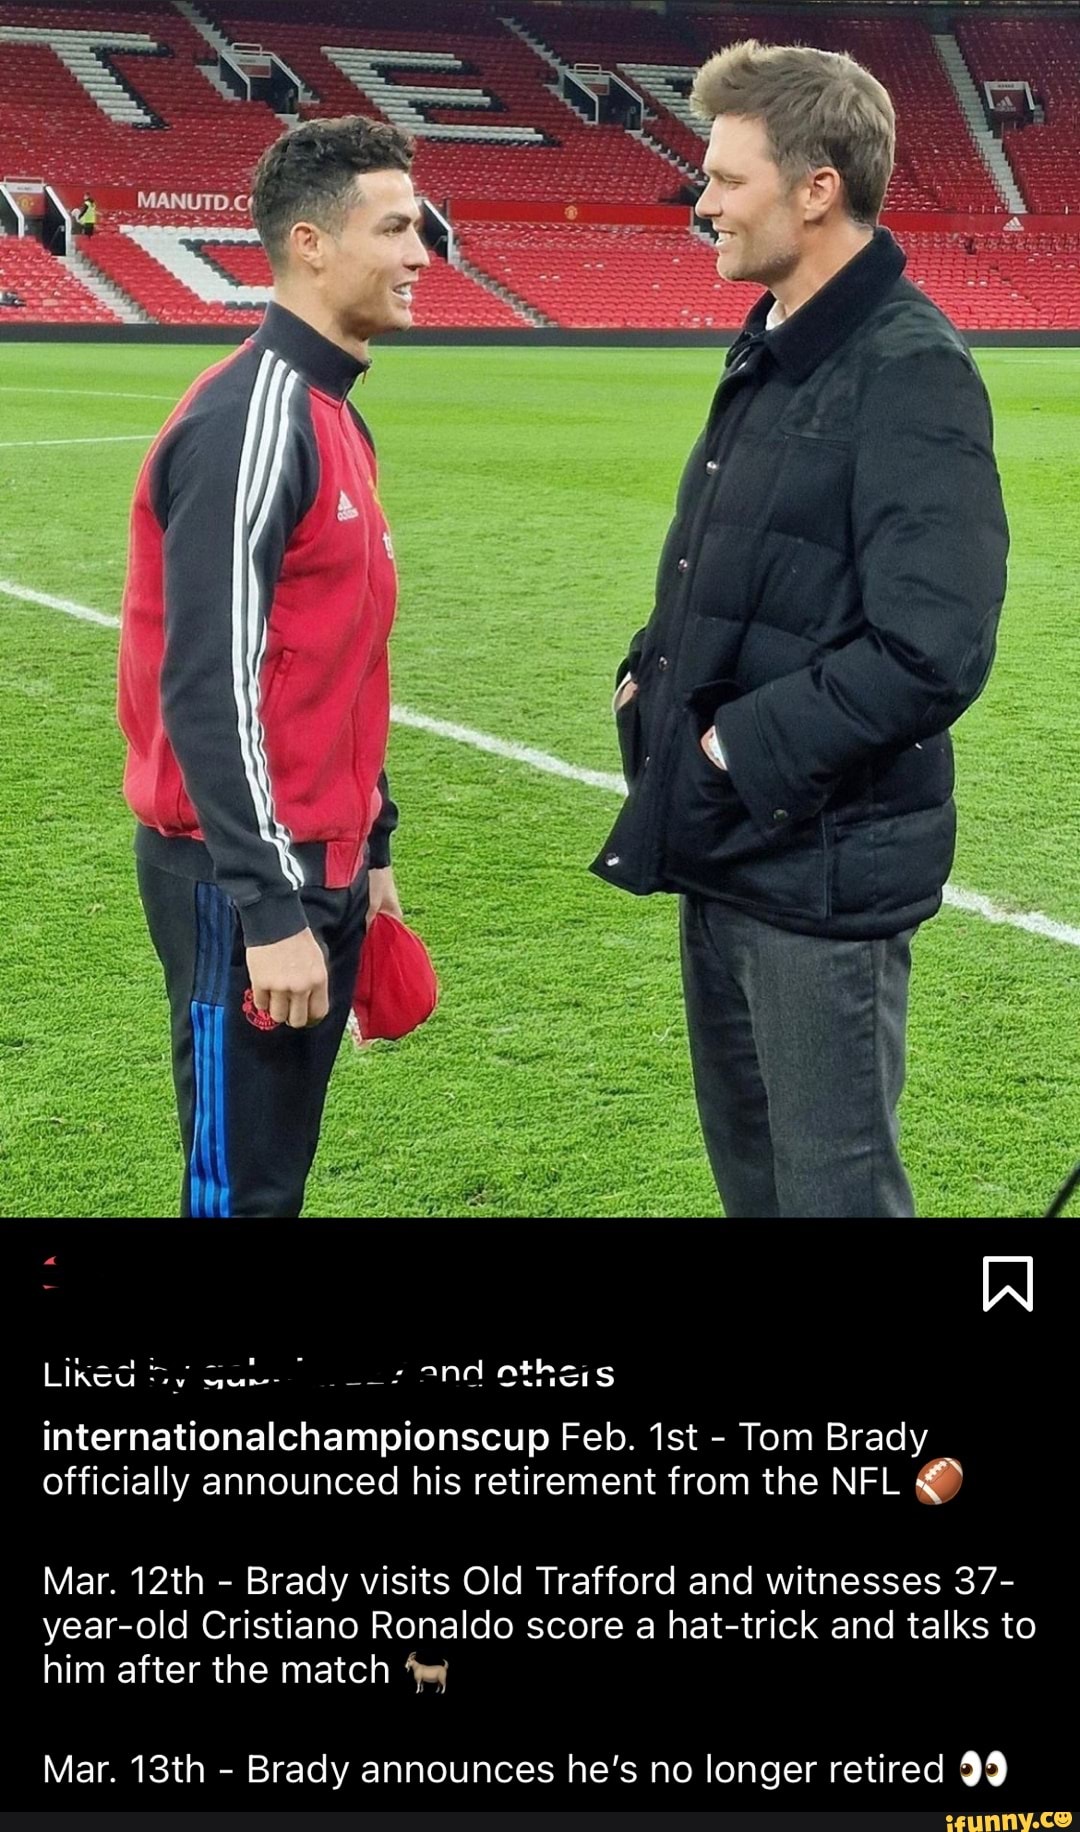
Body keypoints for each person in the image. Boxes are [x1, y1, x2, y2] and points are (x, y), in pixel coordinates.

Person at [592, 41, 1008, 1219]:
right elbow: (734, 568)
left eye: (724, 179)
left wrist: (733, 748)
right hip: (729, 850)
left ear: (817, 187)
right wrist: (649, 681)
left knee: (831, 1197)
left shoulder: (911, 368)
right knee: (756, 1188)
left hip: (820, 870)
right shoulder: (777, 337)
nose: (701, 204)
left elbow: (934, 647)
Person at [117, 116, 429, 1217]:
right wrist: (268, 909)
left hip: (324, 862)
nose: (420, 251)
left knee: (274, 1183)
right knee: (238, 1193)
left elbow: (342, 664)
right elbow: (206, 685)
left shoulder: (337, 414)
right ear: (310, 244)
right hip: (239, 877)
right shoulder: (250, 419)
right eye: (394, 227)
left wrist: (371, 841)